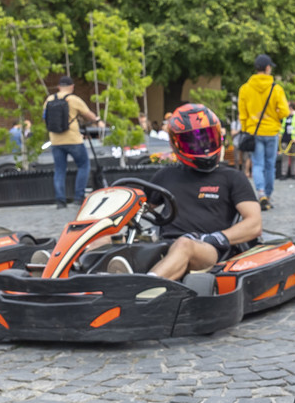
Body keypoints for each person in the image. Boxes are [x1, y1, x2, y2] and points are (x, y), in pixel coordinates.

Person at [107, 103, 262, 281]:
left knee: (184, 245)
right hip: (164, 245)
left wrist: (215, 238)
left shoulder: (232, 177)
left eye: (207, 138)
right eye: (192, 141)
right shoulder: (166, 175)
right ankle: (89, 278)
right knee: (105, 238)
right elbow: (140, 207)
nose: (202, 145)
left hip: (208, 249)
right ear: (176, 145)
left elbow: (254, 224)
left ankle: (146, 285)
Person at [237, 54, 291, 211]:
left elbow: (242, 114)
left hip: (254, 132)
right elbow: (285, 111)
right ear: (267, 68)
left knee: (258, 164)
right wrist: (274, 115)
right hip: (271, 131)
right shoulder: (276, 88)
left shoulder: (245, 88)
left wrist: (247, 128)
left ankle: (260, 193)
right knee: (270, 165)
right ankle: (268, 195)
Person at [44, 77, 100, 208]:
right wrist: (97, 119)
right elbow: (89, 116)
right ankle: (79, 197)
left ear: (59, 87)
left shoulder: (49, 99)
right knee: (83, 165)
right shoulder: (74, 100)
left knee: (59, 170)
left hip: (55, 140)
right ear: (72, 87)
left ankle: (60, 201)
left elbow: (45, 117)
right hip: (73, 139)